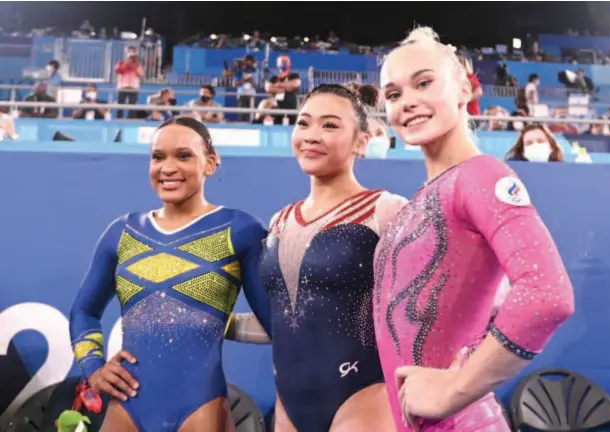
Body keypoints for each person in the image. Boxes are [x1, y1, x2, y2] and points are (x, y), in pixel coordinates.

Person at [375, 27, 575, 431]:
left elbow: (547, 294)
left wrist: (458, 387)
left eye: (424, 83)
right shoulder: (426, 195)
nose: (407, 102)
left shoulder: (480, 175)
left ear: (465, 89)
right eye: (394, 95)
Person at [69, 116, 272, 432]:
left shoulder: (241, 230)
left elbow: (277, 324)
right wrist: (94, 369)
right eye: (158, 157)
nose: (168, 167)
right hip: (126, 409)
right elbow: (83, 311)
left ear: (211, 163)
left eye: (184, 155)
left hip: (200, 409)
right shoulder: (122, 232)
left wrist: (219, 322)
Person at [227, 83, 407, 432]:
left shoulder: (386, 210)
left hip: (364, 399)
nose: (311, 135)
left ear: (361, 142)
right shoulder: (280, 221)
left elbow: (438, 300)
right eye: (304, 123)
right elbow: (284, 323)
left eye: (330, 125)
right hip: (290, 407)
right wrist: (217, 322)